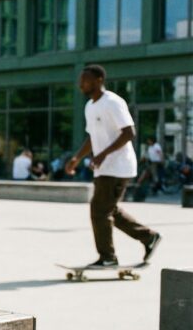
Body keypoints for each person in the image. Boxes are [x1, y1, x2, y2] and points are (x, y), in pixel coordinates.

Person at [65, 65, 162, 267]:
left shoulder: (113, 102)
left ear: (99, 80)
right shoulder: (90, 106)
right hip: (104, 167)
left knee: (99, 210)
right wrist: (76, 157)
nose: (81, 84)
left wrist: (102, 155)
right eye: (80, 80)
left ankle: (108, 257)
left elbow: (129, 133)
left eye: (85, 80)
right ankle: (148, 237)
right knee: (109, 210)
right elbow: (92, 137)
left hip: (118, 166)